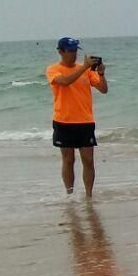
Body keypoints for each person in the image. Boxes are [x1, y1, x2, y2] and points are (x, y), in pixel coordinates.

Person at [47, 37, 107, 197]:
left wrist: (101, 73)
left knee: (88, 160)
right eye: (70, 51)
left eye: (75, 51)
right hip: (63, 120)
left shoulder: (85, 69)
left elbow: (103, 89)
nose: (73, 54)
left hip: (85, 121)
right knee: (68, 160)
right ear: (60, 52)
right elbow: (65, 81)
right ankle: (69, 194)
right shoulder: (53, 69)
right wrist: (85, 67)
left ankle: (89, 196)